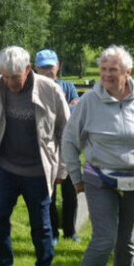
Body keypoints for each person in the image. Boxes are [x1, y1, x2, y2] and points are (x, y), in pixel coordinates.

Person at [61, 45, 134, 266]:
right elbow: (70, 140)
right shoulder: (90, 101)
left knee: (127, 238)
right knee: (104, 239)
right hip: (100, 179)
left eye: (112, 70)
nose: (106, 74)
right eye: (103, 69)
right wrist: (75, 176)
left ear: (127, 72)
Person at [0, 46, 70, 266]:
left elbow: (66, 130)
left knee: (41, 225)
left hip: (38, 171)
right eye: (6, 76)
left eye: (15, 77)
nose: (10, 82)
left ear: (28, 69)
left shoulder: (49, 89)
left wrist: (62, 168)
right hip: (5, 168)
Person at [34, 48, 81, 243]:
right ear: (36, 68)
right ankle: (52, 232)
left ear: (58, 66)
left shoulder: (67, 86)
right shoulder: (33, 88)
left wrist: (67, 109)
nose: (47, 71)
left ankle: (70, 231)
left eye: (50, 67)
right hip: (45, 149)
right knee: (49, 194)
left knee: (70, 193)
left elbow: (75, 112)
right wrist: (66, 108)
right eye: (43, 68)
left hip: (68, 147)